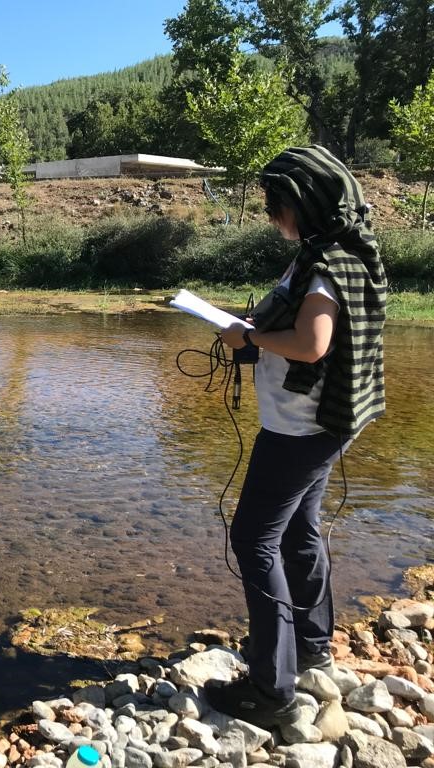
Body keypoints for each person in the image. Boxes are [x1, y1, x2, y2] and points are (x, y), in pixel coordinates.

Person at [206, 145, 386, 728]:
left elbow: (312, 345)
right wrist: (253, 330)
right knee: (300, 531)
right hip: (322, 424)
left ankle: (270, 688)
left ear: (305, 204)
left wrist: (250, 340)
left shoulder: (328, 265)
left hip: (300, 429)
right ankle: (312, 646)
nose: (270, 214)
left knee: (254, 540)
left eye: (276, 204)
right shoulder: (329, 253)